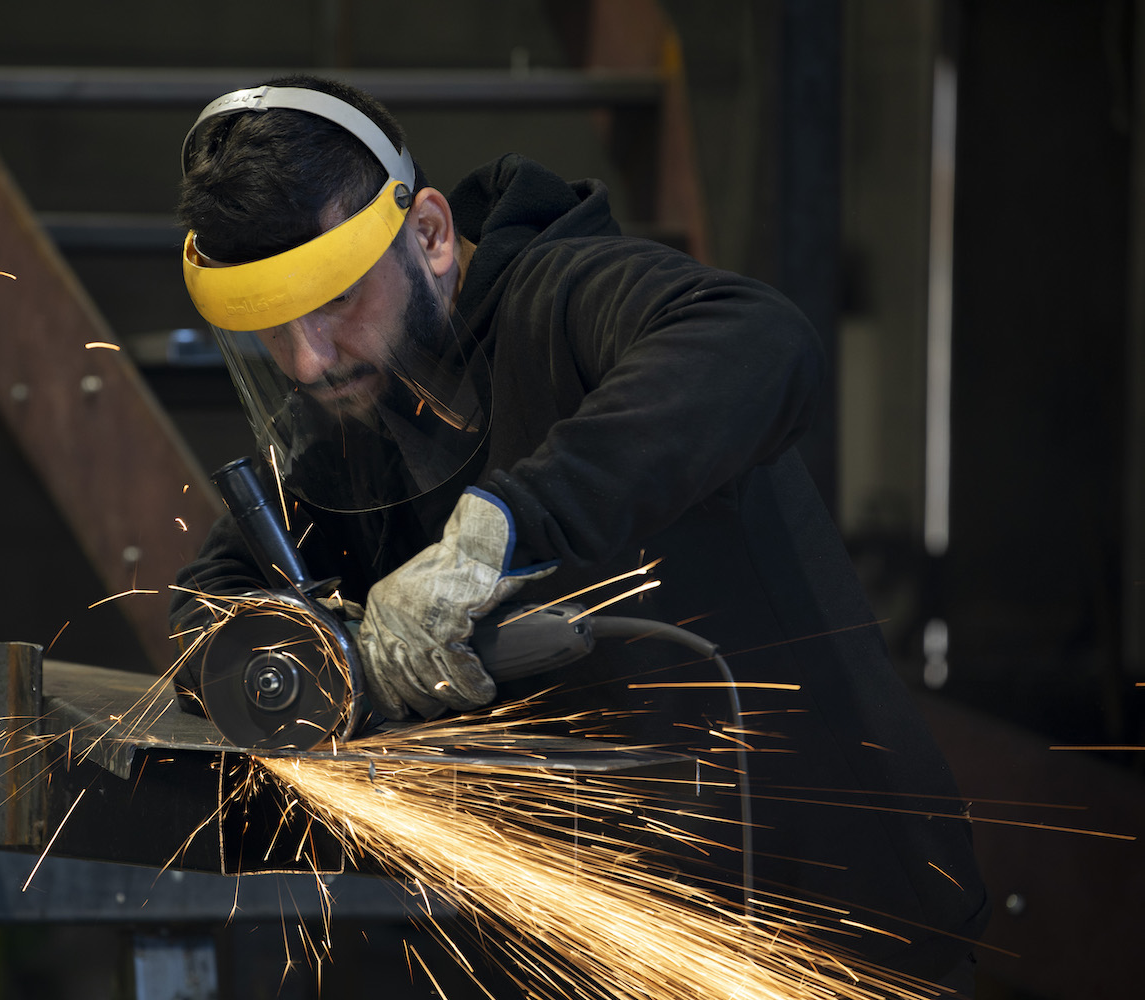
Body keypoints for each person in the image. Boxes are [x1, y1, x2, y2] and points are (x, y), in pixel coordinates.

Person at [167, 75, 989, 992]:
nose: (308, 360)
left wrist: (500, 532)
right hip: (616, 931)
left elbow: (758, 336)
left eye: (336, 303)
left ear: (431, 235)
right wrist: (312, 656)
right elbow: (209, 598)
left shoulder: (568, 295)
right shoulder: (356, 417)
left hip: (822, 910)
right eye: (272, 331)